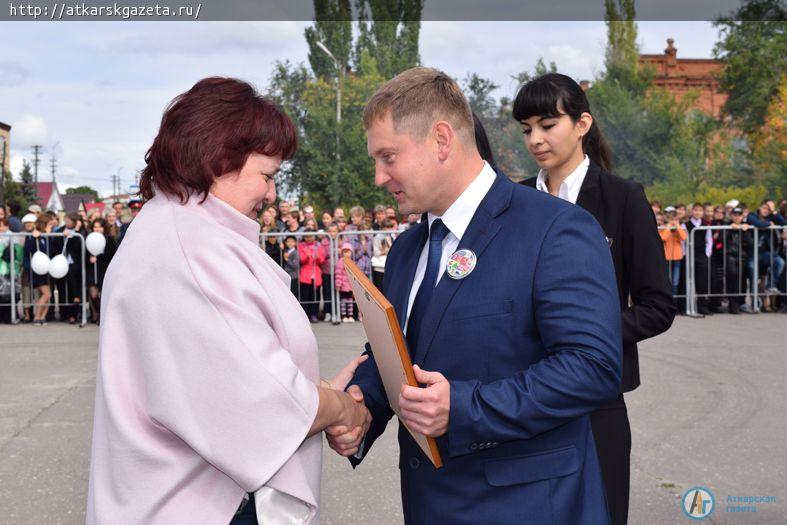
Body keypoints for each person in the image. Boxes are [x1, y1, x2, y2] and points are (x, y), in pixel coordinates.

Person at [327, 67, 622, 525]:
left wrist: (464, 408)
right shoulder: (408, 248)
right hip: (430, 503)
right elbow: (398, 349)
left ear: (441, 140)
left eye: (388, 157)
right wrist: (361, 410)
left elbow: (592, 367)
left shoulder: (555, 229)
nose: (379, 177)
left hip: (530, 507)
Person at [87, 77, 370, 525]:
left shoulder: (180, 231)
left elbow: (231, 375)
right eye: (267, 176)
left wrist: (317, 394)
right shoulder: (191, 250)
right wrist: (341, 407)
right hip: (203, 507)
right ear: (219, 160)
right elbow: (263, 402)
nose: (273, 194)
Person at [513, 72, 675, 524]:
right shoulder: (514, 200)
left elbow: (658, 306)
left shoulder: (622, 198)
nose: (536, 139)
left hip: (596, 397)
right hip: (522, 394)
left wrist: (589, 336)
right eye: (527, 129)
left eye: (548, 124)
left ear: (582, 124)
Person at [85, 218, 117, 324]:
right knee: (93, 295)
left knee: (104, 295)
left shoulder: (110, 239)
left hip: (104, 269)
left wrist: (98, 257)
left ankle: (103, 317)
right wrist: (90, 258)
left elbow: (112, 254)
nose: (97, 229)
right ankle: (99, 313)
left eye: (99, 227)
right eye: (95, 227)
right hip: (92, 269)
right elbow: (84, 254)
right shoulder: (89, 238)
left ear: (104, 228)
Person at [23, 215, 53, 326]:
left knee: (46, 295)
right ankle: (37, 317)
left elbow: (51, 250)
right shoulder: (34, 235)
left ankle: (42, 317)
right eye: (49, 224)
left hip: (47, 269)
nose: (51, 227)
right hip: (37, 269)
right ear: (44, 224)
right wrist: (34, 237)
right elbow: (28, 250)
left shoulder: (47, 236)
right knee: (47, 294)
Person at [686, 203, 714, 315]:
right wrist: (684, 254)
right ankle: (686, 306)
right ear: (692, 211)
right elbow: (684, 241)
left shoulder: (705, 225)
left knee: (702, 281)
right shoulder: (686, 225)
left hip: (701, 256)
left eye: (700, 210)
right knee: (688, 281)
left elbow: (709, 240)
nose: (697, 212)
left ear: (702, 212)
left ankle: (702, 306)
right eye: (695, 210)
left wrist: (707, 254)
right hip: (689, 255)